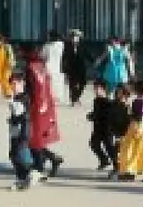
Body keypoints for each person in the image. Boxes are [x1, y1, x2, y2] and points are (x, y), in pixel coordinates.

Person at [24, 40, 64, 178]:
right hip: (46, 105)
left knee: (31, 137)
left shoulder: (30, 67)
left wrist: (25, 103)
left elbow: (31, 89)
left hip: (36, 106)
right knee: (37, 138)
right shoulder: (41, 65)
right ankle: (50, 159)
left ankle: (40, 165)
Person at [6, 74, 39, 189]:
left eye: (16, 83)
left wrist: (11, 102)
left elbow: (19, 112)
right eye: (12, 84)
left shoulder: (24, 97)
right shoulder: (17, 97)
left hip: (23, 130)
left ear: (23, 83)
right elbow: (16, 115)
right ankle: (21, 179)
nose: (14, 86)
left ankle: (32, 173)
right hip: (16, 130)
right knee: (13, 155)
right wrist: (11, 120)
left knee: (21, 153)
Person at [87, 79, 125, 172]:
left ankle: (117, 165)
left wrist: (94, 116)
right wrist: (92, 115)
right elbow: (97, 112)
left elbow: (108, 115)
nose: (95, 90)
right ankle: (104, 160)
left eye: (97, 88)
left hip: (107, 129)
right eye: (94, 88)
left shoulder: (108, 102)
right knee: (93, 144)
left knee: (109, 148)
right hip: (97, 128)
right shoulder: (96, 100)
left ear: (104, 89)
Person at [61, 29, 89, 107]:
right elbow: (64, 57)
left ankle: (77, 97)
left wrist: (94, 62)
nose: (75, 38)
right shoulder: (67, 46)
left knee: (83, 83)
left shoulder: (83, 45)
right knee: (72, 84)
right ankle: (73, 99)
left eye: (77, 36)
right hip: (71, 67)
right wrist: (63, 67)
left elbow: (87, 54)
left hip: (81, 67)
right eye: (73, 36)